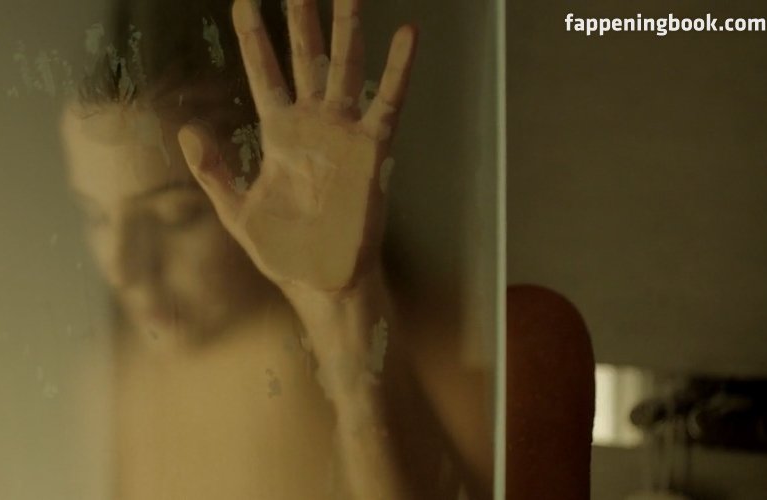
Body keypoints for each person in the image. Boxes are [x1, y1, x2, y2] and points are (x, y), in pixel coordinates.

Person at [58, 0, 594, 498]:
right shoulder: (117, 380)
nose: (121, 267)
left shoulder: (486, 355)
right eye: (96, 216)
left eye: (177, 216)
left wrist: (344, 309)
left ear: (274, 173)